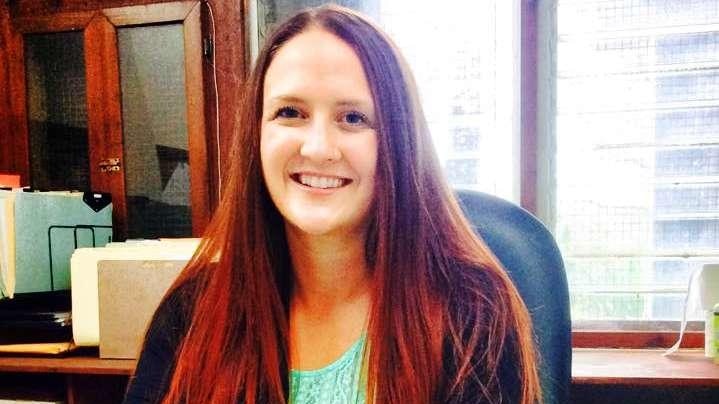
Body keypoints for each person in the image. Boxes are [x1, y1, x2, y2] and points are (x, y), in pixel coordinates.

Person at [123, 5, 540, 404]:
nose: (319, 147)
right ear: (257, 135)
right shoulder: (194, 312)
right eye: (290, 112)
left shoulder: (471, 316)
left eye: (353, 118)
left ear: (398, 141)